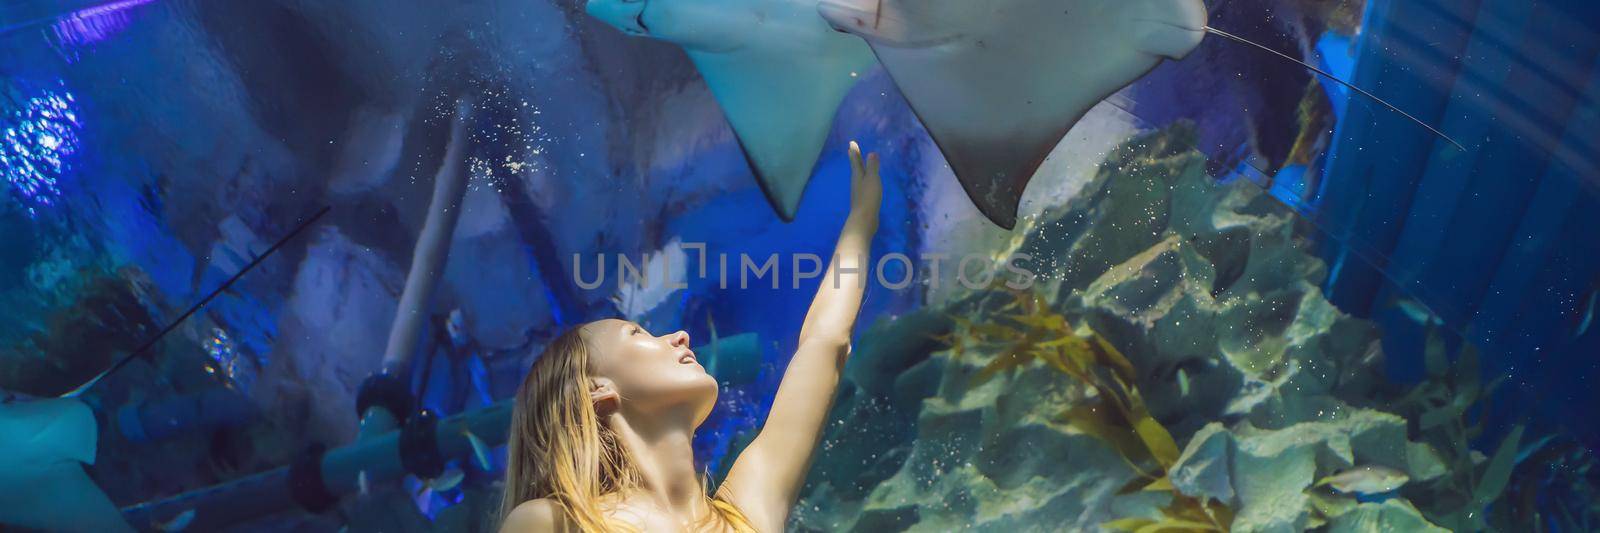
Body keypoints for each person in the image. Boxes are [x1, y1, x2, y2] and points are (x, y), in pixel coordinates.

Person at [497, 142, 883, 532]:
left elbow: (825, 342)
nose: (680, 336)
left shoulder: (747, 507)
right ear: (595, 390)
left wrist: (860, 224)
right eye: (636, 332)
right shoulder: (553, 521)